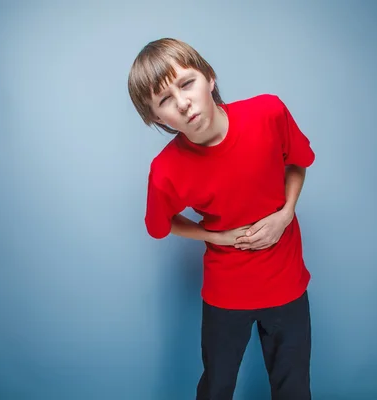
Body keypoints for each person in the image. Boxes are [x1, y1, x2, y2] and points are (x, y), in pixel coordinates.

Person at [128, 38, 316, 400]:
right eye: (164, 100)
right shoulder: (165, 170)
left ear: (209, 78)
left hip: (287, 281)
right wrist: (217, 237)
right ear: (155, 118)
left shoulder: (268, 112)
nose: (182, 103)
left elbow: (298, 161)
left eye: (186, 83)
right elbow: (160, 225)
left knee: (294, 388)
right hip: (227, 293)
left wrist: (285, 213)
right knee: (217, 387)